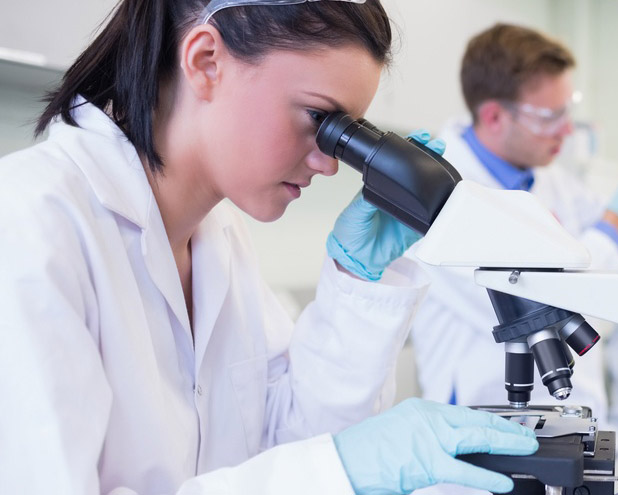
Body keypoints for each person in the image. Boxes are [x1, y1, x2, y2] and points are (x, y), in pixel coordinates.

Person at [0, 1, 540, 494]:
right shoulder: (30, 224)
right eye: (318, 120)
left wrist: (357, 280)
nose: (329, 162)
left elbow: (290, 442)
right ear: (207, 60)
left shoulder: (221, 237)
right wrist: (342, 468)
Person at [407, 23, 618, 420]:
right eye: (550, 116)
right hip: (483, 423)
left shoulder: (551, 179)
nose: (566, 129)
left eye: (568, 109)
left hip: (572, 416)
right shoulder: (441, 197)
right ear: (493, 116)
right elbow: (545, 299)